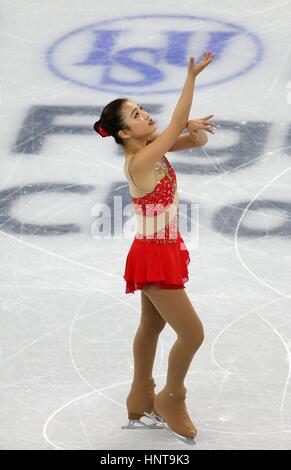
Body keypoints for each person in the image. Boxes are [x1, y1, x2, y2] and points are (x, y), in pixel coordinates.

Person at [93, 52, 215, 445]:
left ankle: (139, 398)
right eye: (135, 115)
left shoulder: (152, 149)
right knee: (192, 334)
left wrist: (195, 130)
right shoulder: (140, 160)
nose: (145, 115)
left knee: (152, 326)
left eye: (142, 109)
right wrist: (191, 78)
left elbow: (191, 139)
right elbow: (176, 124)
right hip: (154, 254)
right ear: (124, 134)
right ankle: (171, 397)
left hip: (160, 247)